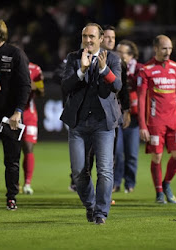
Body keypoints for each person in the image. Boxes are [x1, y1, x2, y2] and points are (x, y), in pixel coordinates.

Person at [60, 23, 122, 224]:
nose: (88, 40)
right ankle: (91, 205)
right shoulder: (73, 58)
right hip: (78, 123)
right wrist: (81, 70)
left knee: (105, 170)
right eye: (85, 36)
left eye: (92, 36)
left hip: (103, 123)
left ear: (101, 38)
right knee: (78, 172)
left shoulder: (112, 58)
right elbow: (66, 86)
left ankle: (101, 213)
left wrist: (104, 70)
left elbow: (117, 85)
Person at [0, 18, 31, 210]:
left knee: (11, 159)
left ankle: (12, 197)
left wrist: (18, 111)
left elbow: (25, 85)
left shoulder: (15, 54)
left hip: (11, 116)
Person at [138, 35, 176, 204]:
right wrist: (143, 125)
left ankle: (166, 184)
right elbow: (142, 98)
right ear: (155, 48)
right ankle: (158, 193)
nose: (168, 52)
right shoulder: (146, 69)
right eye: (164, 48)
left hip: (174, 120)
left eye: (170, 48)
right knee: (156, 157)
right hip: (156, 121)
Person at [114, 39, 142, 193]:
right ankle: (116, 183)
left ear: (131, 55)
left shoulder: (140, 70)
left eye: (122, 53)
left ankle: (130, 183)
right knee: (117, 153)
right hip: (116, 114)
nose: (118, 55)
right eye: (117, 52)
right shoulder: (113, 67)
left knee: (131, 154)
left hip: (134, 117)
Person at [21, 62, 44, 195]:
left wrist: (33, 85)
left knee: (28, 147)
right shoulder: (5, 65)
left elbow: (42, 92)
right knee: (13, 150)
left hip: (29, 114)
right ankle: (14, 183)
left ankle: (27, 183)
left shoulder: (35, 69)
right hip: (11, 113)